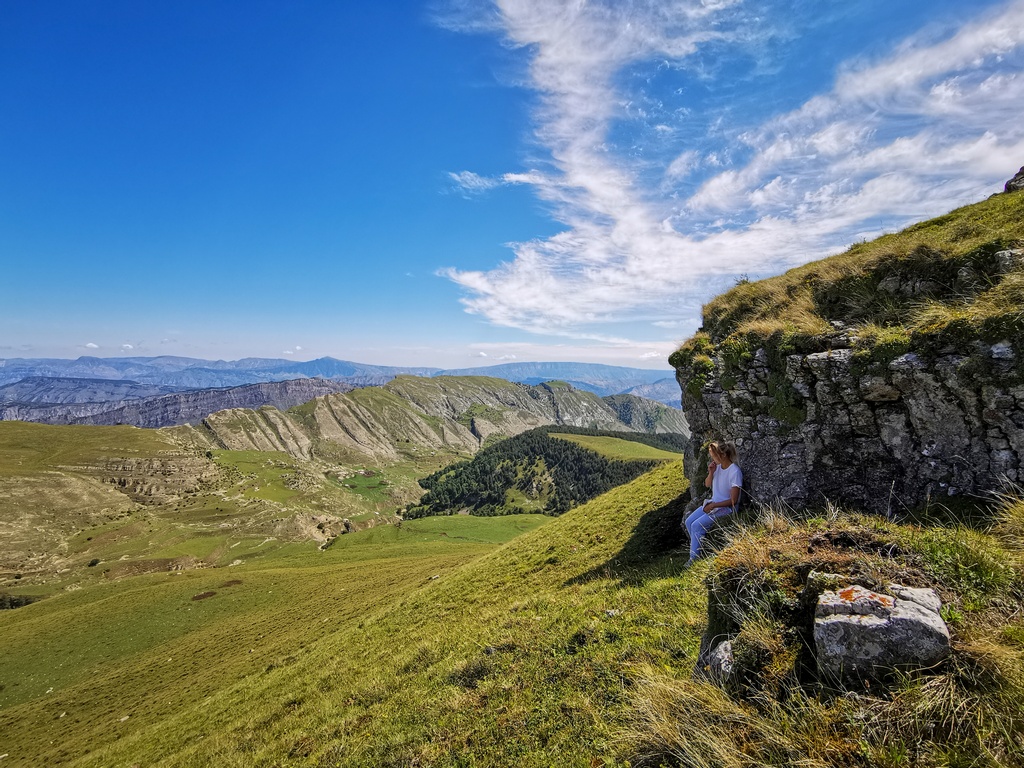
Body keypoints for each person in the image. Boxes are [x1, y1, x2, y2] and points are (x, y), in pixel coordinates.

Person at [683, 441, 742, 565]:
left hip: (726, 508)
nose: (712, 458)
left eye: (714, 456)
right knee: (689, 521)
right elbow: (707, 484)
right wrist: (711, 472)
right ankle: (699, 549)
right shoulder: (718, 468)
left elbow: (733, 501)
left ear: (723, 455)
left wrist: (714, 506)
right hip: (714, 503)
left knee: (696, 525)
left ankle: (693, 560)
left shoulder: (734, 472)